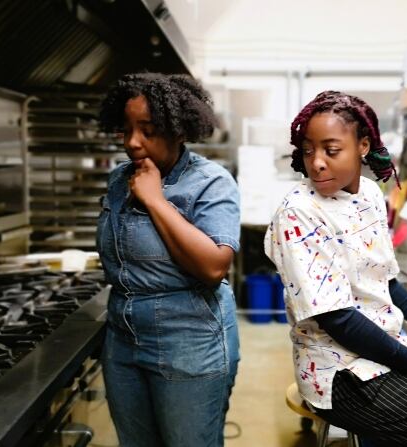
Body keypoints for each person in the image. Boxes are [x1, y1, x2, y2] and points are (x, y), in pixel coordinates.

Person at [264, 91, 407, 446]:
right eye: (307, 150)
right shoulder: (300, 213)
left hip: (382, 350)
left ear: (363, 145)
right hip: (337, 373)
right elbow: (337, 319)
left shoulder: (368, 195)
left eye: (331, 150)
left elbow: (383, 279)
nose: (315, 162)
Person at [97, 73, 240, 447]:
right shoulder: (119, 180)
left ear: (179, 130)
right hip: (123, 338)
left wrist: (156, 200)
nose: (132, 142)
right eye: (126, 129)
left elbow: (213, 267)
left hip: (188, 339)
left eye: (147, 129)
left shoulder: (210, 182)